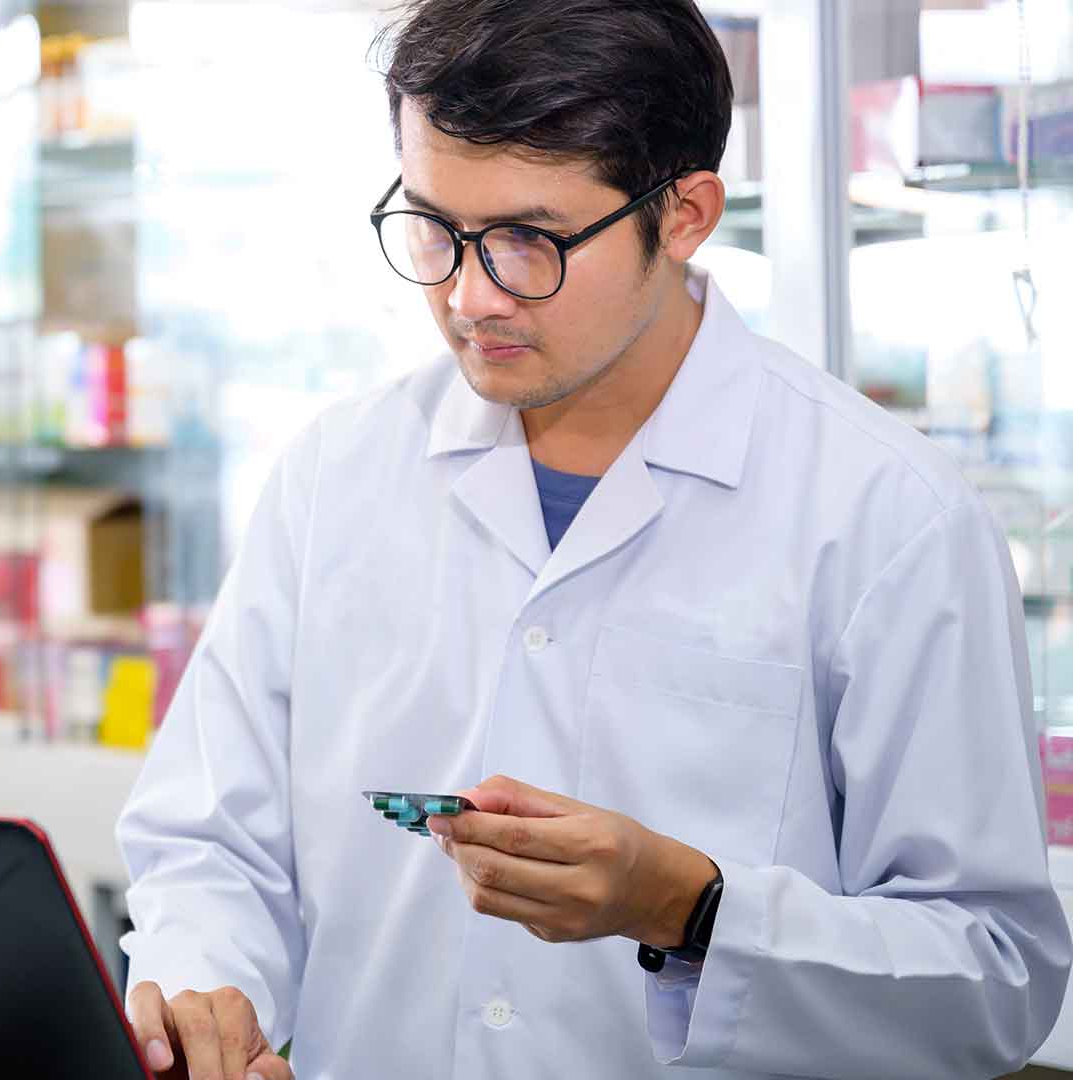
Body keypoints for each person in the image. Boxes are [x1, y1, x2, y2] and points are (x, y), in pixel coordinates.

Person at [114, 1, 1073, 1077]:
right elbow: (212, 841)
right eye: (434, 226)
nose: (470, 296)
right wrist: (208, 994)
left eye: (530, 241)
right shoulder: (335, 477)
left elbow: (993, 972)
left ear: (686, 215)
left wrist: (689, 909)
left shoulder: (888, 516)